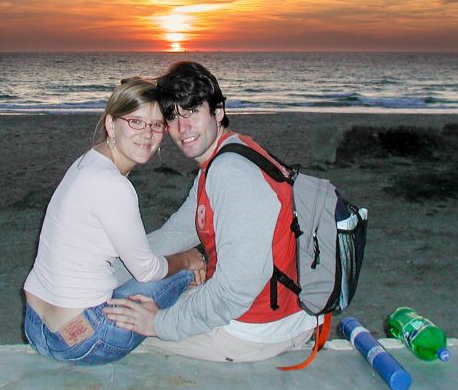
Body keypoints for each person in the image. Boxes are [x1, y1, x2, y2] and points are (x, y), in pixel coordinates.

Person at [104, 62, 320, 363]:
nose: (182, 128)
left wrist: (157, 324)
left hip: (255, 330)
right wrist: (102, 272)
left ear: (218, 112)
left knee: (112, 325)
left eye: (191, 111)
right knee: (133, 296)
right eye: (172, 116)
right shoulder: (227, 156)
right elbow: (174, 235)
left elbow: (235, 289)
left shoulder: (232, 172)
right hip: (272, 310)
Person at [22, 78, 206, 365]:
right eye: (135, 122)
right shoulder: (114, 185)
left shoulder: (88, 161)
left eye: (156, 125)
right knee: (184, 273)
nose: (147, 134)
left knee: (140, 267)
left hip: (36, 326)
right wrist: (187, 258)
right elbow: (145, 270)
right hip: (85, 340)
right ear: (111, 125)